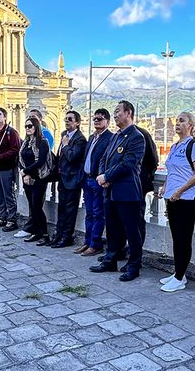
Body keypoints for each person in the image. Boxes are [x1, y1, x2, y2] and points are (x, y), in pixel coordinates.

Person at [89, 100, 146, 282]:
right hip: (110, 192)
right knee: (113, 230)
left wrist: (107, 177)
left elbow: (128, 164)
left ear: (128, 113)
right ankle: (110, 259)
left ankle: (133, 265)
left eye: (117, 112)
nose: (114, 115)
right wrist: (101, 175)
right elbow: (104, 158)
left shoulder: (136, 137)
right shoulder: (116, 136)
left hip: (127, 193)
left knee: (132, 232)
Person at [157, 112, 195, 292]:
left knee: (183, 238)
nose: (177, 123)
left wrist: (180, 190)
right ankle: (179, 272)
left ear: (191, 126)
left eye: (182, 121)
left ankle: (179, 278)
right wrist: (165, 185)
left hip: (187, 198)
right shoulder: (175, 146)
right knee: (176, 237)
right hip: (173, 197)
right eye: (176, 121)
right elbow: (173, 171)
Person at [78, 108, 115, 257]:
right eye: (95, 119)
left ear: (107, 121)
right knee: (89, 213)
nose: (96, 121)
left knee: (98, 213)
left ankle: (95, 244)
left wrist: (104, 176)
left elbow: (109, 160)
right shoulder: (92, 137)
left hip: (98, 180)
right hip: (87, 179)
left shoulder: (110, 138)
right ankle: (87, 242)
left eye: (100, 119)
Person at [51, 111, 87, 249]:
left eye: (70, 119)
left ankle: (67, 237)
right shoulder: (63, 136)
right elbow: (60, 156)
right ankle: (58, 235)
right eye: (66, 119)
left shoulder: (80, 139)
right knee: (61, 209)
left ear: (77, 122)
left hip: (72, 180)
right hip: (62, 178)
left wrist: (66, 145)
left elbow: (73, 157)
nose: (67, 121)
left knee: (70, 210)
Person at [0, 107, 22, 232]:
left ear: (4, 117)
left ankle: (12, 220)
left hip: (6, 168)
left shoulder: (11, 132)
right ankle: (2, 216)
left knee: (8, 195)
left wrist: (0, 157)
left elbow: (15, 150)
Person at [17, 117, 52, 244]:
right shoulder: (25, 143)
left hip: (38, 179)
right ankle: (36, 233)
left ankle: (46, 235)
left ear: (36, 127)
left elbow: (40, 161)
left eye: (30, 126)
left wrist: (26, 171)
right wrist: (24, 172)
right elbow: (20, 159)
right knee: (32, 207)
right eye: (26, 126)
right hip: (27, 179)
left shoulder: (42, 142)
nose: (28, 128)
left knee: (37, 207)